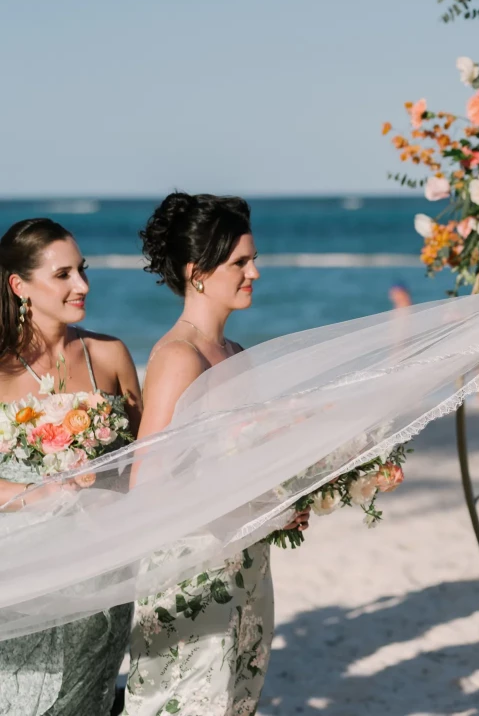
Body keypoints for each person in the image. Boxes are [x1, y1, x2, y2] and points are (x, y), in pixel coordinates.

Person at [123, 194, 307, 716]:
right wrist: (244, 502)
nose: (255, 272)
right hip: (192, 570)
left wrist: (285, 494)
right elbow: (147, 481)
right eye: (241, 263)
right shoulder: (177, 357)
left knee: (237, 701)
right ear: (197, 273)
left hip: (247, 561)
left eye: (253, 259)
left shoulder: (236, 355)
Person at [0, 218, 140, 716]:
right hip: (19, 577)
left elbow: (144, 463)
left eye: (82, 270)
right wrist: (34, 492)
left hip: (101, 576)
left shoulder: (109, 354)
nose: (82, 285)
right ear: (20, 286)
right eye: (63, 274)